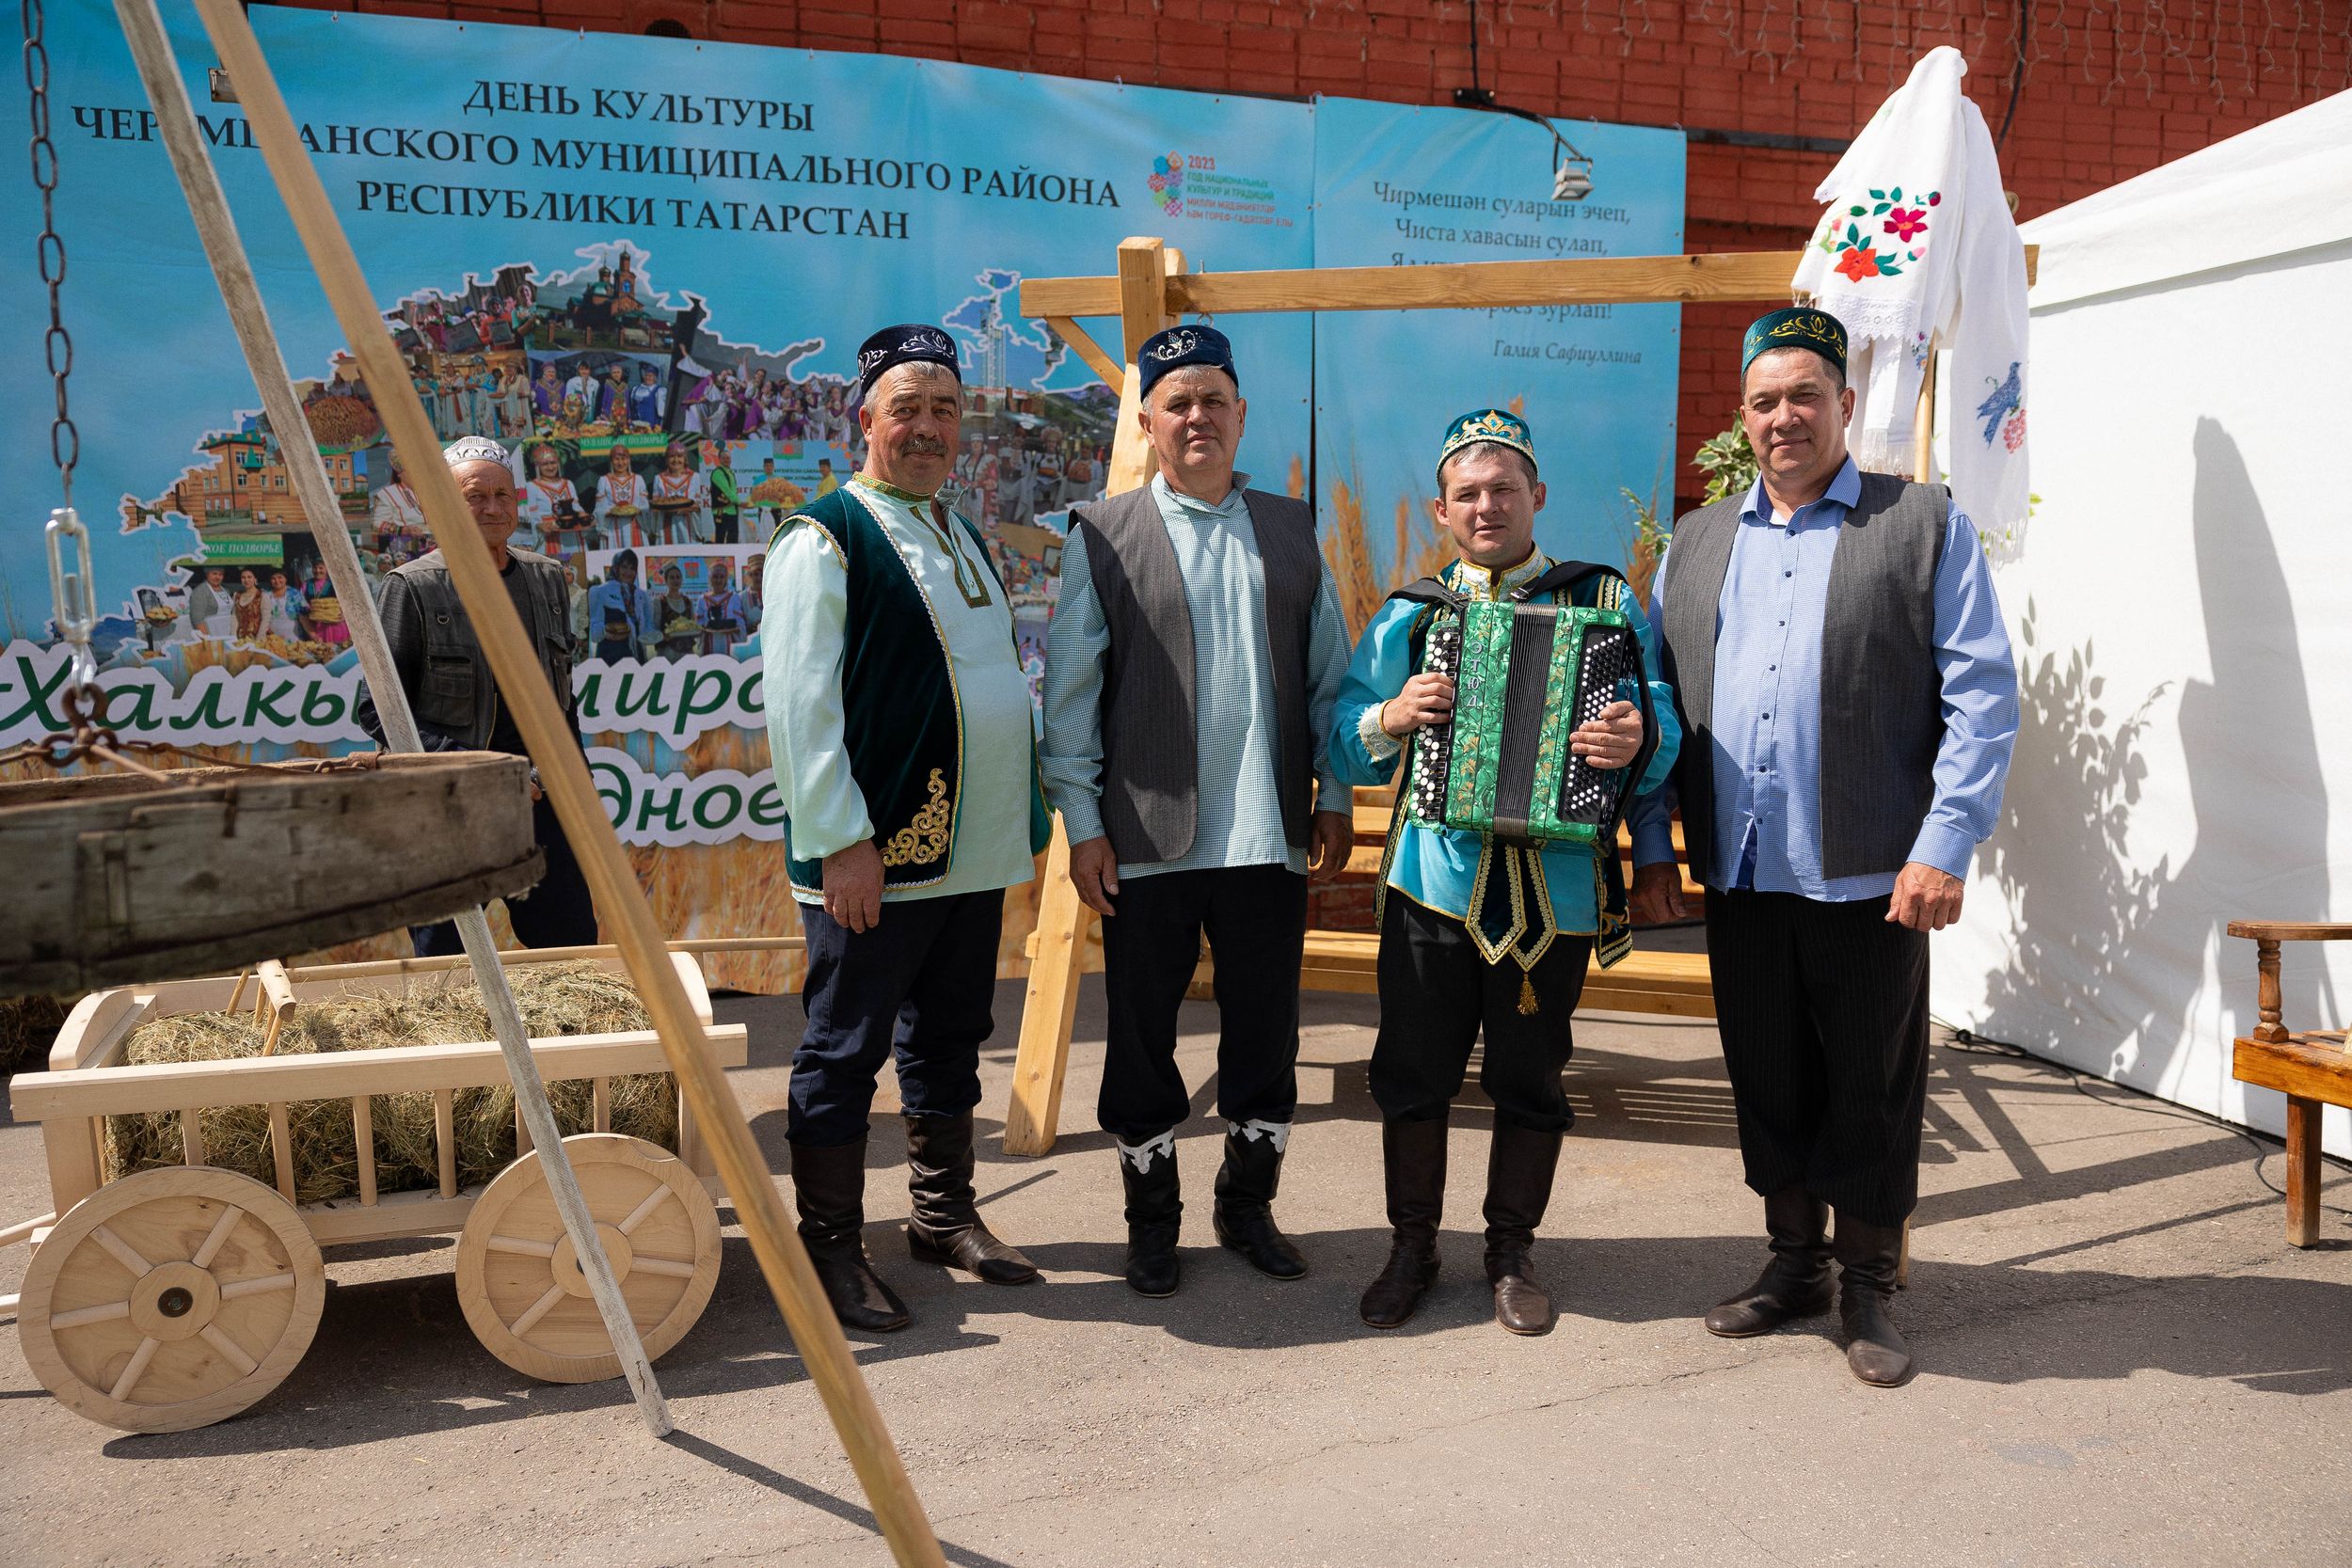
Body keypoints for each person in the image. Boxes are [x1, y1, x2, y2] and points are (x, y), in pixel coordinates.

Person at [1626, 309, 2019, 1387]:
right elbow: (1659, 709)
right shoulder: (1696, 540)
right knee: (1767, 1074)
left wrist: (1941, 843)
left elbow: (1982, 696)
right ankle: (1793, 1261)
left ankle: (1869, 1286)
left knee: (1872, 1084)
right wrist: (1653, 845)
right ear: (1741, 418)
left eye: (1806, 394)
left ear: (1846, 404)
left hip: (1870, 872)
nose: (1784, 416)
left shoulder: (1922, 524)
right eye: (1763, 400)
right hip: (1741, 868)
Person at [1328, 409, 1679, 1336]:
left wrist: (1635, 734)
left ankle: (1510, 1252)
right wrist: (1393, 715)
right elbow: (1345, 736)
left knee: (1531, 1076)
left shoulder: (1600, 597)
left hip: (1552, 891)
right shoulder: (1412, 612)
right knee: (1410, 1072)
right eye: (1469, 494)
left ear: (1538, 498)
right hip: (1431, 885)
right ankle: (1410, 1246)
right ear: (1441, 510)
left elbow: (1661, 715)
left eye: (1505, 489)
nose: (1488, 506)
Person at [1041, 324, 1354, 1299]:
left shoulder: (1292, 528)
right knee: (1139, 1039)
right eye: (1176, 402)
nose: (1197, 417)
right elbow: (1069, 696)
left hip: (1265, 837)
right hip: (1144, 840)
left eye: (1213, 399)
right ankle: (1150, 1220)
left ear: (1239, 413)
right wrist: (1083, 825)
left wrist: (1335, 794)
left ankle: (1247, 1204)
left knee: (1265, 1034)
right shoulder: (1103, 532)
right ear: (1147, 422)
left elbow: (1328, 682)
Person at [764, 323, 1050, 1332]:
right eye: (906, 408)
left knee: (949, 1040)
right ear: (866, 418)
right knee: (844, 1049)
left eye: (942, 409)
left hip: (964, 852)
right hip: (875, 856)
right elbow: (800, 707)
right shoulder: (822, 536)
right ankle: (829, 1248)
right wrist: (843, 838)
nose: (926, 427)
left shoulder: (960, 528)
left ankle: (941, 1215)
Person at [357, 436, 598, 956]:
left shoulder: (548, 579)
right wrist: (484, 770)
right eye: (474, 496)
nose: (492, 508)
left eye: (503, 495)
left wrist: (571, 784)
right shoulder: (412, 586)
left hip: (542, 802)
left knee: (572, 957)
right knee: (444, 967)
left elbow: (563, 700)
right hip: (450, 805)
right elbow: (377, 708)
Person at [519, 442, 588, 561]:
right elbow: (531, 516)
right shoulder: (531, 486)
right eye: (545, 464)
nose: (550, 467)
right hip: (550, 539)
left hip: (572, 535)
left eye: (553, 463)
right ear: (537, 466)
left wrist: (583, 515)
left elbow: (576, 507)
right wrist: (539, 525)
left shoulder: (568, 484)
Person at [584, 547, 651, 662]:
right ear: (616, 568)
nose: (628, 572)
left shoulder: (641, 596)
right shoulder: (599, 591)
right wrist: (606, 631)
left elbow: (646, 629)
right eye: (624, 567)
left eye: (632, 568)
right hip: (611, 659)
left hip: (638, 660)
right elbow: (595, 634)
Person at [649, 444, 709, 546]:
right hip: (665, 527)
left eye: (679, 456)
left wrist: (687, 508)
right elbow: (656, 505)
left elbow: (703, 504)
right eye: (672, 456)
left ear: (685, 459)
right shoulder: (658, 479)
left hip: (689, 527)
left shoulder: (695, 477)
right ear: (667, 459)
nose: (676, 460)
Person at [594, 445, 648, 548]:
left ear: (628, 460)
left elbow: (645, 506)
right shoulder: (604, 480)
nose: (620, 463)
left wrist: (638, 510)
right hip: (613, 528)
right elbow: (600, 509)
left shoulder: (638, 479)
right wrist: (610, 511)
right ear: (611, 461)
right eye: (616, 459)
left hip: (635, 527)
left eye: (624, 459)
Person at [699, 561, 750, 656]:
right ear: (710, 579)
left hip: (730, 643)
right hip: (709, 644)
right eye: (715, 577)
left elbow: (740, 623)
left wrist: (735, 628)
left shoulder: (734, 597)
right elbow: (699, 624)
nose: (718, 580)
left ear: (726, 579)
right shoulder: (703, 600)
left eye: (721, 577)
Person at [650, 563, 700, 660]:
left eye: (678, 577)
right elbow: (655, 627)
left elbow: (692, 626)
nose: (675, 580)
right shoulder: (659, 602)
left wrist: (697, 631)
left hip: (687, 652)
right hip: (667, 652)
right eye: (671, 577)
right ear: (666, 581)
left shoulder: (688, 601)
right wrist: (663, 636)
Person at [705, 441, 741, 545]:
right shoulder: (717, 473)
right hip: (721, 511)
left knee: (733, 537)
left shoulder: (730, 472)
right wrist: (739, 502)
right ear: (719, 459)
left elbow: (733, 491)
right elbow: (727, 491)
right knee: (721, 537)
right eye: (724, 458)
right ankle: (721, 559)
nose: (727, 460)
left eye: (728, 458)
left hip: (732, 510)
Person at [262, 567, 305, 641]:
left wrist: (313, 635)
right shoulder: (265, 595)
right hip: (271, 639)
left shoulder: (294, 594)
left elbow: (303, 616)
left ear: (285, 579)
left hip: (292, 639)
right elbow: (261, 617)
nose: (277, 581)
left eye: (280, 577)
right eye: (273, 578)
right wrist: (270, 633)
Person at [628, 363, 667, 430]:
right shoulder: (636, 389)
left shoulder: (659, 391)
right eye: (646, 375)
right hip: (635, 426)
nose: (648, 378)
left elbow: (661, 413)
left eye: (650, 376)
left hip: (650, 426)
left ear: (655, 378)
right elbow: (631, 406)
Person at [230, 568, 265, 641]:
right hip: (240, 639)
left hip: (257, 639)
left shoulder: (262, 596)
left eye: (249, 577)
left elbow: (265, 620)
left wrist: (258, 640)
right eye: (243, 577)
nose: (246, 580)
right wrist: (233, 637)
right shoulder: (236, 595)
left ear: (255, 579)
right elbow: (234, 617)